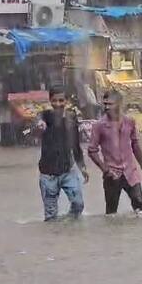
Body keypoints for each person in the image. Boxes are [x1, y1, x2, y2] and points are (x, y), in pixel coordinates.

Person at [88, 90, 142, 215]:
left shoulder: (130, 122)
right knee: (111, 213)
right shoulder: (99, 125)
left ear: (119, 104)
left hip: (130, 172)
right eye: (105, 104)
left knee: (140, 209)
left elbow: (136, 146)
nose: (106, 107)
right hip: (112, 174)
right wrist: (105, 169)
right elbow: (92, 150)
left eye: (110, 104)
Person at [36, 88, 89, 222]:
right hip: (48, 175)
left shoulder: (71, 119)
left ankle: (69, 228)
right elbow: (35, 123)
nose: (58, 104)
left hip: (68, 171)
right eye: (54, 100)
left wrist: (82, 167)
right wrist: (38, 125)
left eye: (61, 100)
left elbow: (76, 146)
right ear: (50, 101)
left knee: (78, 204)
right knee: (51, 216)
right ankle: (54, 239)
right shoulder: (45, 116)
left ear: (66, 101)